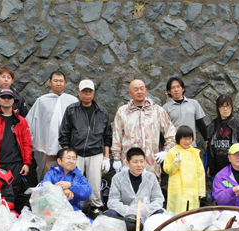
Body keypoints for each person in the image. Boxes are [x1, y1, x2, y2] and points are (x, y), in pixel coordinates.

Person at [59, 79, 112, 213]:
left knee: (94, 185)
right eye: (84, 91)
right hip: (76, 153)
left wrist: (106, 157)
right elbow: (64, 132)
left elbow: (107, 136)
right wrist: (67, 154)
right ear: (79, 93)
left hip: (95, 153)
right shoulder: (72, 110)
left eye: (90, 91)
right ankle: (71, 208)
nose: (87, 94)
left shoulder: (102, 112)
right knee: (73, 182)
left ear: (93, 93)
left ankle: (96, 208)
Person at [0, 88, 32, 214]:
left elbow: (27, 144)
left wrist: (27, 163)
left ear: (13, 100)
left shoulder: (21, 121)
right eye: (3, 97)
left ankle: (17, 218)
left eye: (9, 97)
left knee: (17, 192)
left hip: (16, 163)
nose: (6, 100)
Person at [111, 79, 176, 180]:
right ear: (130, 93)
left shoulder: (157, 111)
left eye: (142, 89)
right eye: (135, 89)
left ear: (146, 90)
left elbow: (171, 133)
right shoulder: (123, 112)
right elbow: (117, 137)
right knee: (129, 193)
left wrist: (167, 151)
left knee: (151, 194)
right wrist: (116, 158)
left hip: (151, 165)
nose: (139, 92)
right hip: (129, 164)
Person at [26, 71, 79, 181]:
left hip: (68, 145)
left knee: (68, 172)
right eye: (55, 81)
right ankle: (47, 192)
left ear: (65, 83)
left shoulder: (72, 101)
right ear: (50, 82)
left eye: (61, 81)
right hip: (49, 145)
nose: (58, 83)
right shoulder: (42, 101)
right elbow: (34, 123)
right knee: (49, 171)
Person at [106, 147, 164, 218]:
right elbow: (113, 201)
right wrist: (127, 209)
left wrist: (147, 208)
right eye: (135, 162)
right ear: (127, 163)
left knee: (160, 212)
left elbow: (158, 199)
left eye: (142, 161)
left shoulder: (151, 177)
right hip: (125, 215)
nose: (139, 165)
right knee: (110, 213)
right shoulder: (118, 178)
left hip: (145, 214)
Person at [163, 126, 206, 213]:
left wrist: (201, 192)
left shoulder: (195, 153)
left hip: (192, 189)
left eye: (189, 138)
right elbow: (167, 169)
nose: (187, 141)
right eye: (184, 138)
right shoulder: (172, 152)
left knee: (191, 214)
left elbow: (200, 173)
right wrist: (175, 163)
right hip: (178, 190)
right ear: (178, 139)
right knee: (176, 213)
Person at [207, 95, 239, 177]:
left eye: (227, 106)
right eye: (222, 106)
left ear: (231, 107)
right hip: (217, 169)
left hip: (234, 167)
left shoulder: (238, 123)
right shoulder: (214, 124)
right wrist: (209, 165)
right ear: (218, 108)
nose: (225, 109)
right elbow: (209, 147)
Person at [163, 77, 207, 148]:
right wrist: (163, 145)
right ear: (169, 91)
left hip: (191, 145)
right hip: (174, 146)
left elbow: (200, 123)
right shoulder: (165, 108)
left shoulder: (193, 103)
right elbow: (164, 129)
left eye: (178, 87)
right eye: (173, 87)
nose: (176, 89)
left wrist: (206, 139)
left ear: (182, 89)